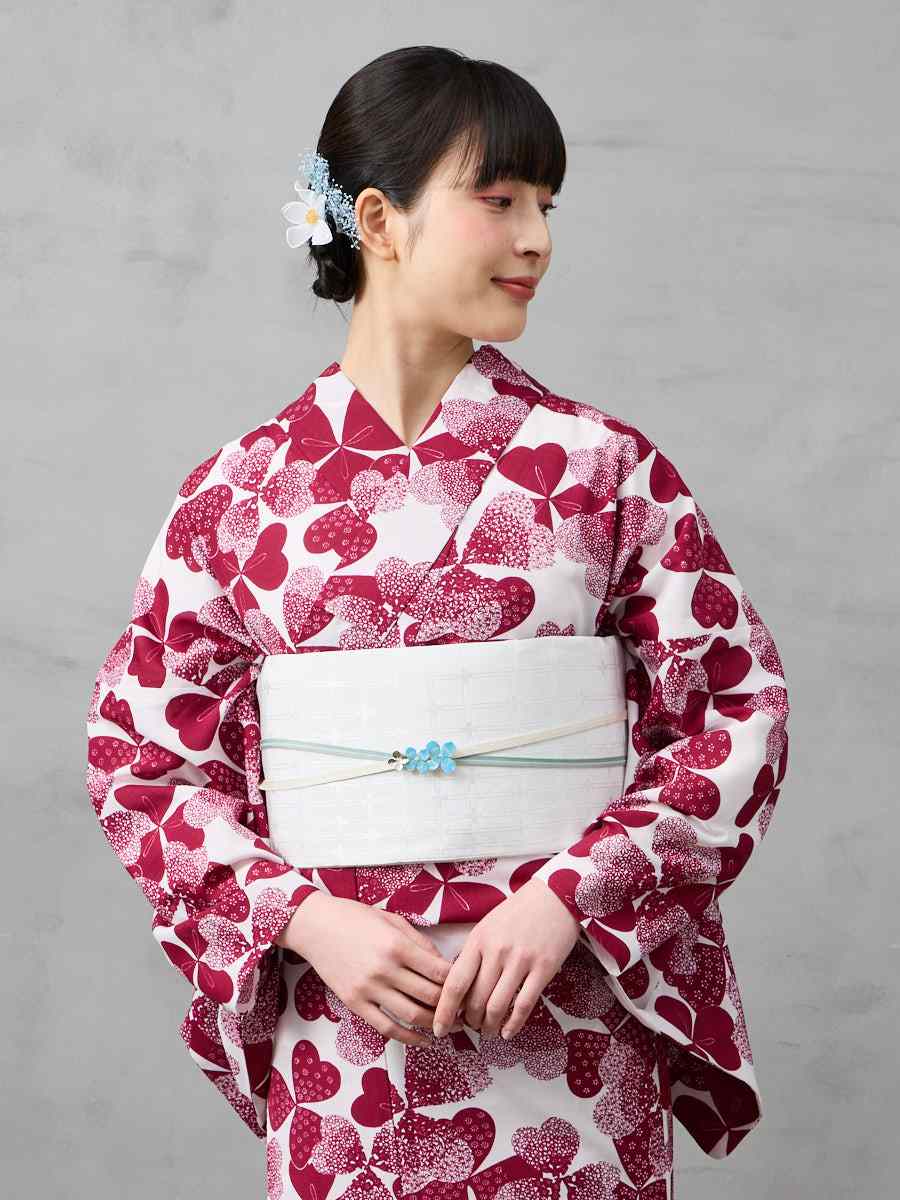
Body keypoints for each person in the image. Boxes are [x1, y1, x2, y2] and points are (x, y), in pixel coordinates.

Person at [84, 45, 790, 1199]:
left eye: (548, 205)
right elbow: (143, 763)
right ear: (379, 220)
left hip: (566, 1012)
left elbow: (734, 715)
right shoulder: (235, 493)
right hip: (347, 1025)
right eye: (499, 199)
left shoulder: (604, 469)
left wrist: (569, 897)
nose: (537, 239)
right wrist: (306, 920)